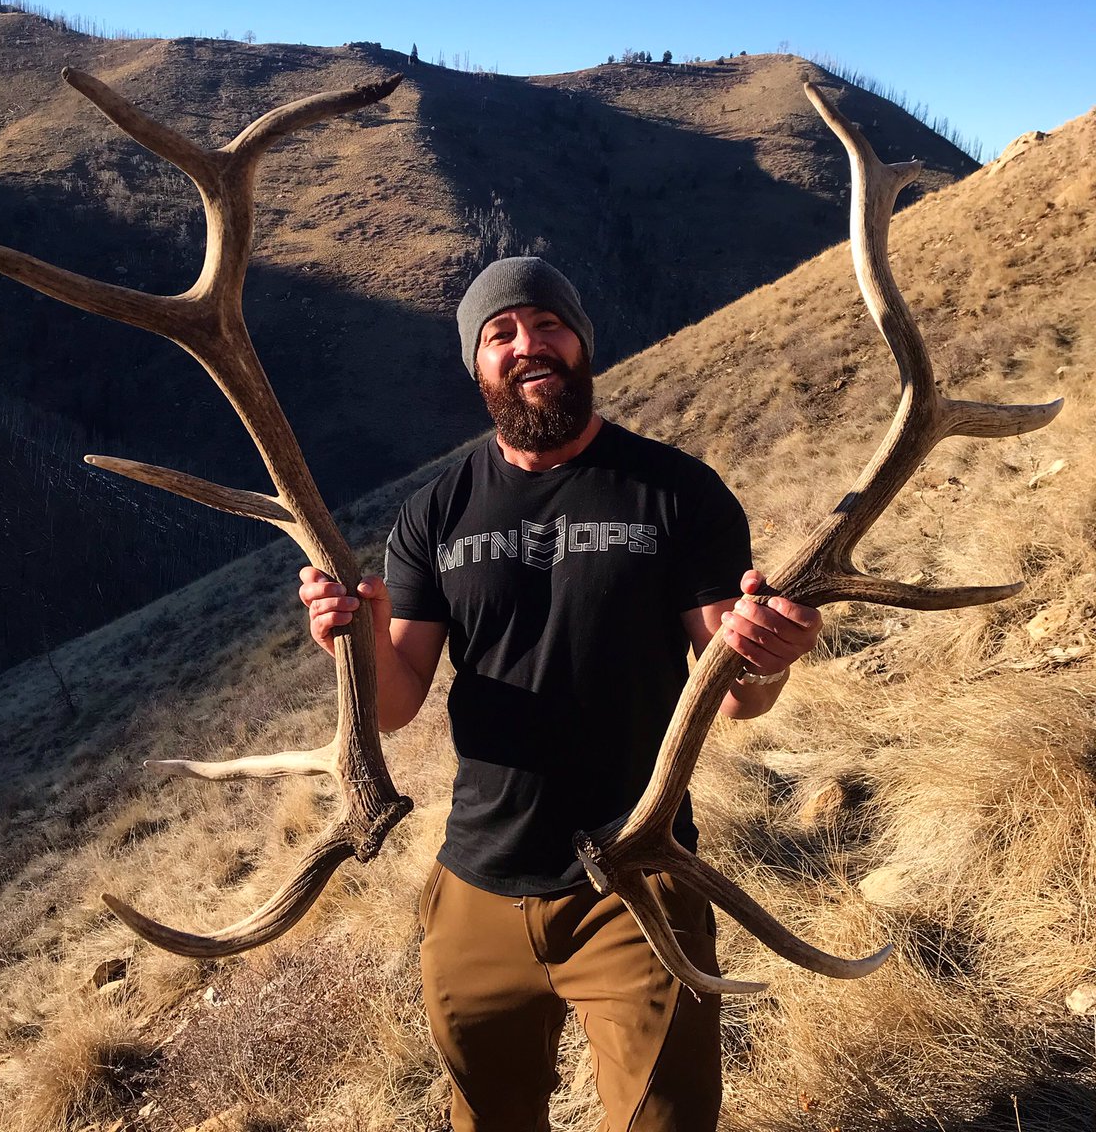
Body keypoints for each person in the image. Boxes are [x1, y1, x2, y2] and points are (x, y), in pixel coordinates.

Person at [299, 257, 821, 1132]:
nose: (527, 344)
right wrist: (354, 641)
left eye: (548, 324)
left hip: (636, 877)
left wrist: (769, 659)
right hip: (476, 890)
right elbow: (395, 704)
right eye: (500, 333)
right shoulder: (434, 513)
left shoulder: (676, 492)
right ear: (477, 366)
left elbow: (734, 693)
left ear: (581, 342)